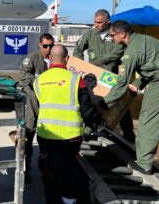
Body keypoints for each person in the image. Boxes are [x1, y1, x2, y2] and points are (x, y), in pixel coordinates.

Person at [103, 20, 159, 175]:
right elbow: (155, 64)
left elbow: (121, 84)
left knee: (149, 119)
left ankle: (143, 164)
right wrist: (138, 82)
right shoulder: (146, 39)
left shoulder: (131, 52)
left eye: (112, 35)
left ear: (122, 34)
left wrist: (104, 103)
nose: (112, 39)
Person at [32, 44, 102, 203]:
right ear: (67, 59)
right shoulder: (77, 80)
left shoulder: (39, 81)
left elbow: (37, 106)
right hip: (70, 137)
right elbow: (86, 110)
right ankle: (69, 200)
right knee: (68, 170)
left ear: (50, 58)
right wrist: (98, 121)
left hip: (46, 135)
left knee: (49, 170)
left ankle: (51, 199)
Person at [73, 9, 135, 142]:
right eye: (94, 22)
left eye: (99, 22)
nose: (96, 25)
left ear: (108, 22)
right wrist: (81, 67)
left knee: (120, 105)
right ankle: (88, 130)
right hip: (94, 78)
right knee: (90, 103)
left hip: (112, 77)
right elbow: (77, 50)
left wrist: (98, 61)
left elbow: (117, 53)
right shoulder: (90, 34)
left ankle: (129, 133)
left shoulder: (115, 35)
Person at [19, 33, 54, 184]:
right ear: (40, 45)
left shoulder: (56, 59)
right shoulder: (33, 59)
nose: (48, 49)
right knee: (28, 140)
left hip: (50, 107)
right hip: (34, 106)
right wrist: (41, 81)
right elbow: (23, 76)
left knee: (47, 142)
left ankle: (47, 171)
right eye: (45, 46)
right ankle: (26, 171)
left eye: (51, 46)